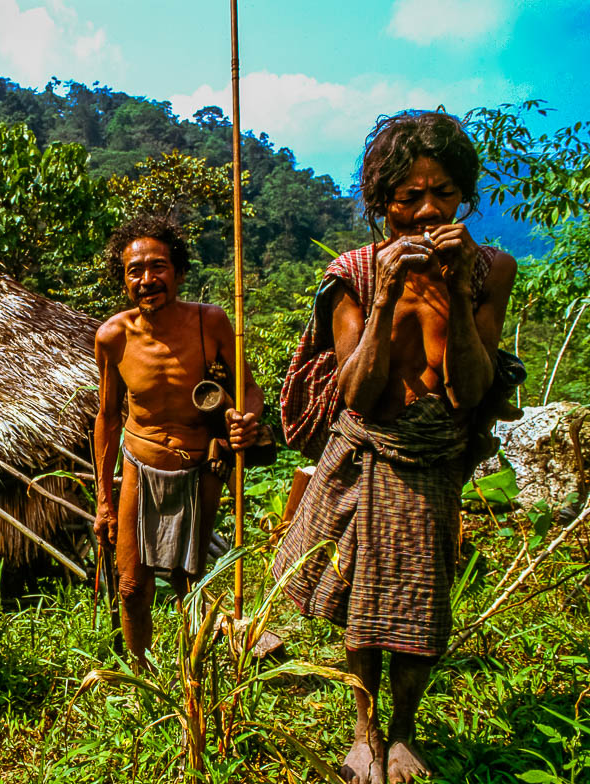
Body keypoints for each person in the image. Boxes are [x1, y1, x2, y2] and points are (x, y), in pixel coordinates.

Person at [273, 110, 516, 784]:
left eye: (443, 193)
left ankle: (403, 733)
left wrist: (455, 287)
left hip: (436, 456)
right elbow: (357, 390)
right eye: (410, 196)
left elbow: (470, 390)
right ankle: (363, 732)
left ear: (463, 194)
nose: (429, 210)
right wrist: (386, 298)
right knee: (356, 599)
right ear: (383, 204)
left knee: (418, 599)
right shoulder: (351, 272)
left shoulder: (491, 270)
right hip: (368, 450)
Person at [93, 215, 263, 670]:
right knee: (131, 585)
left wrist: (245, 419)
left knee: (190, 580)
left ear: (179, 272)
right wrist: (104, 501)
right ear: (124, 279)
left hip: (199, 467)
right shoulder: (113, 337)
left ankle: (193, 676)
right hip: (139, 463)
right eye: (135, 271)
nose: (147, 280)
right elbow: (108, 418)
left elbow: (249, 388)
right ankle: (142, 675)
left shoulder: (211, 324)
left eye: (158, 267)